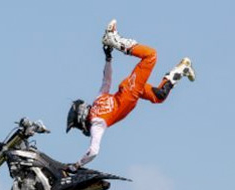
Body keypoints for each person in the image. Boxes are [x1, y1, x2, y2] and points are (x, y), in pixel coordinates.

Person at [65, 19, 195, 171]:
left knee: (151, 55)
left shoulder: (97, 120)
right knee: (159, 96)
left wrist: (77, 165)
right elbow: (107, 80)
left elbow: (93, 151)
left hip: (130, 91)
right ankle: (182, 68)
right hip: (131, 90)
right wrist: (108, 59)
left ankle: (114, 39)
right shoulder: (97, 111)